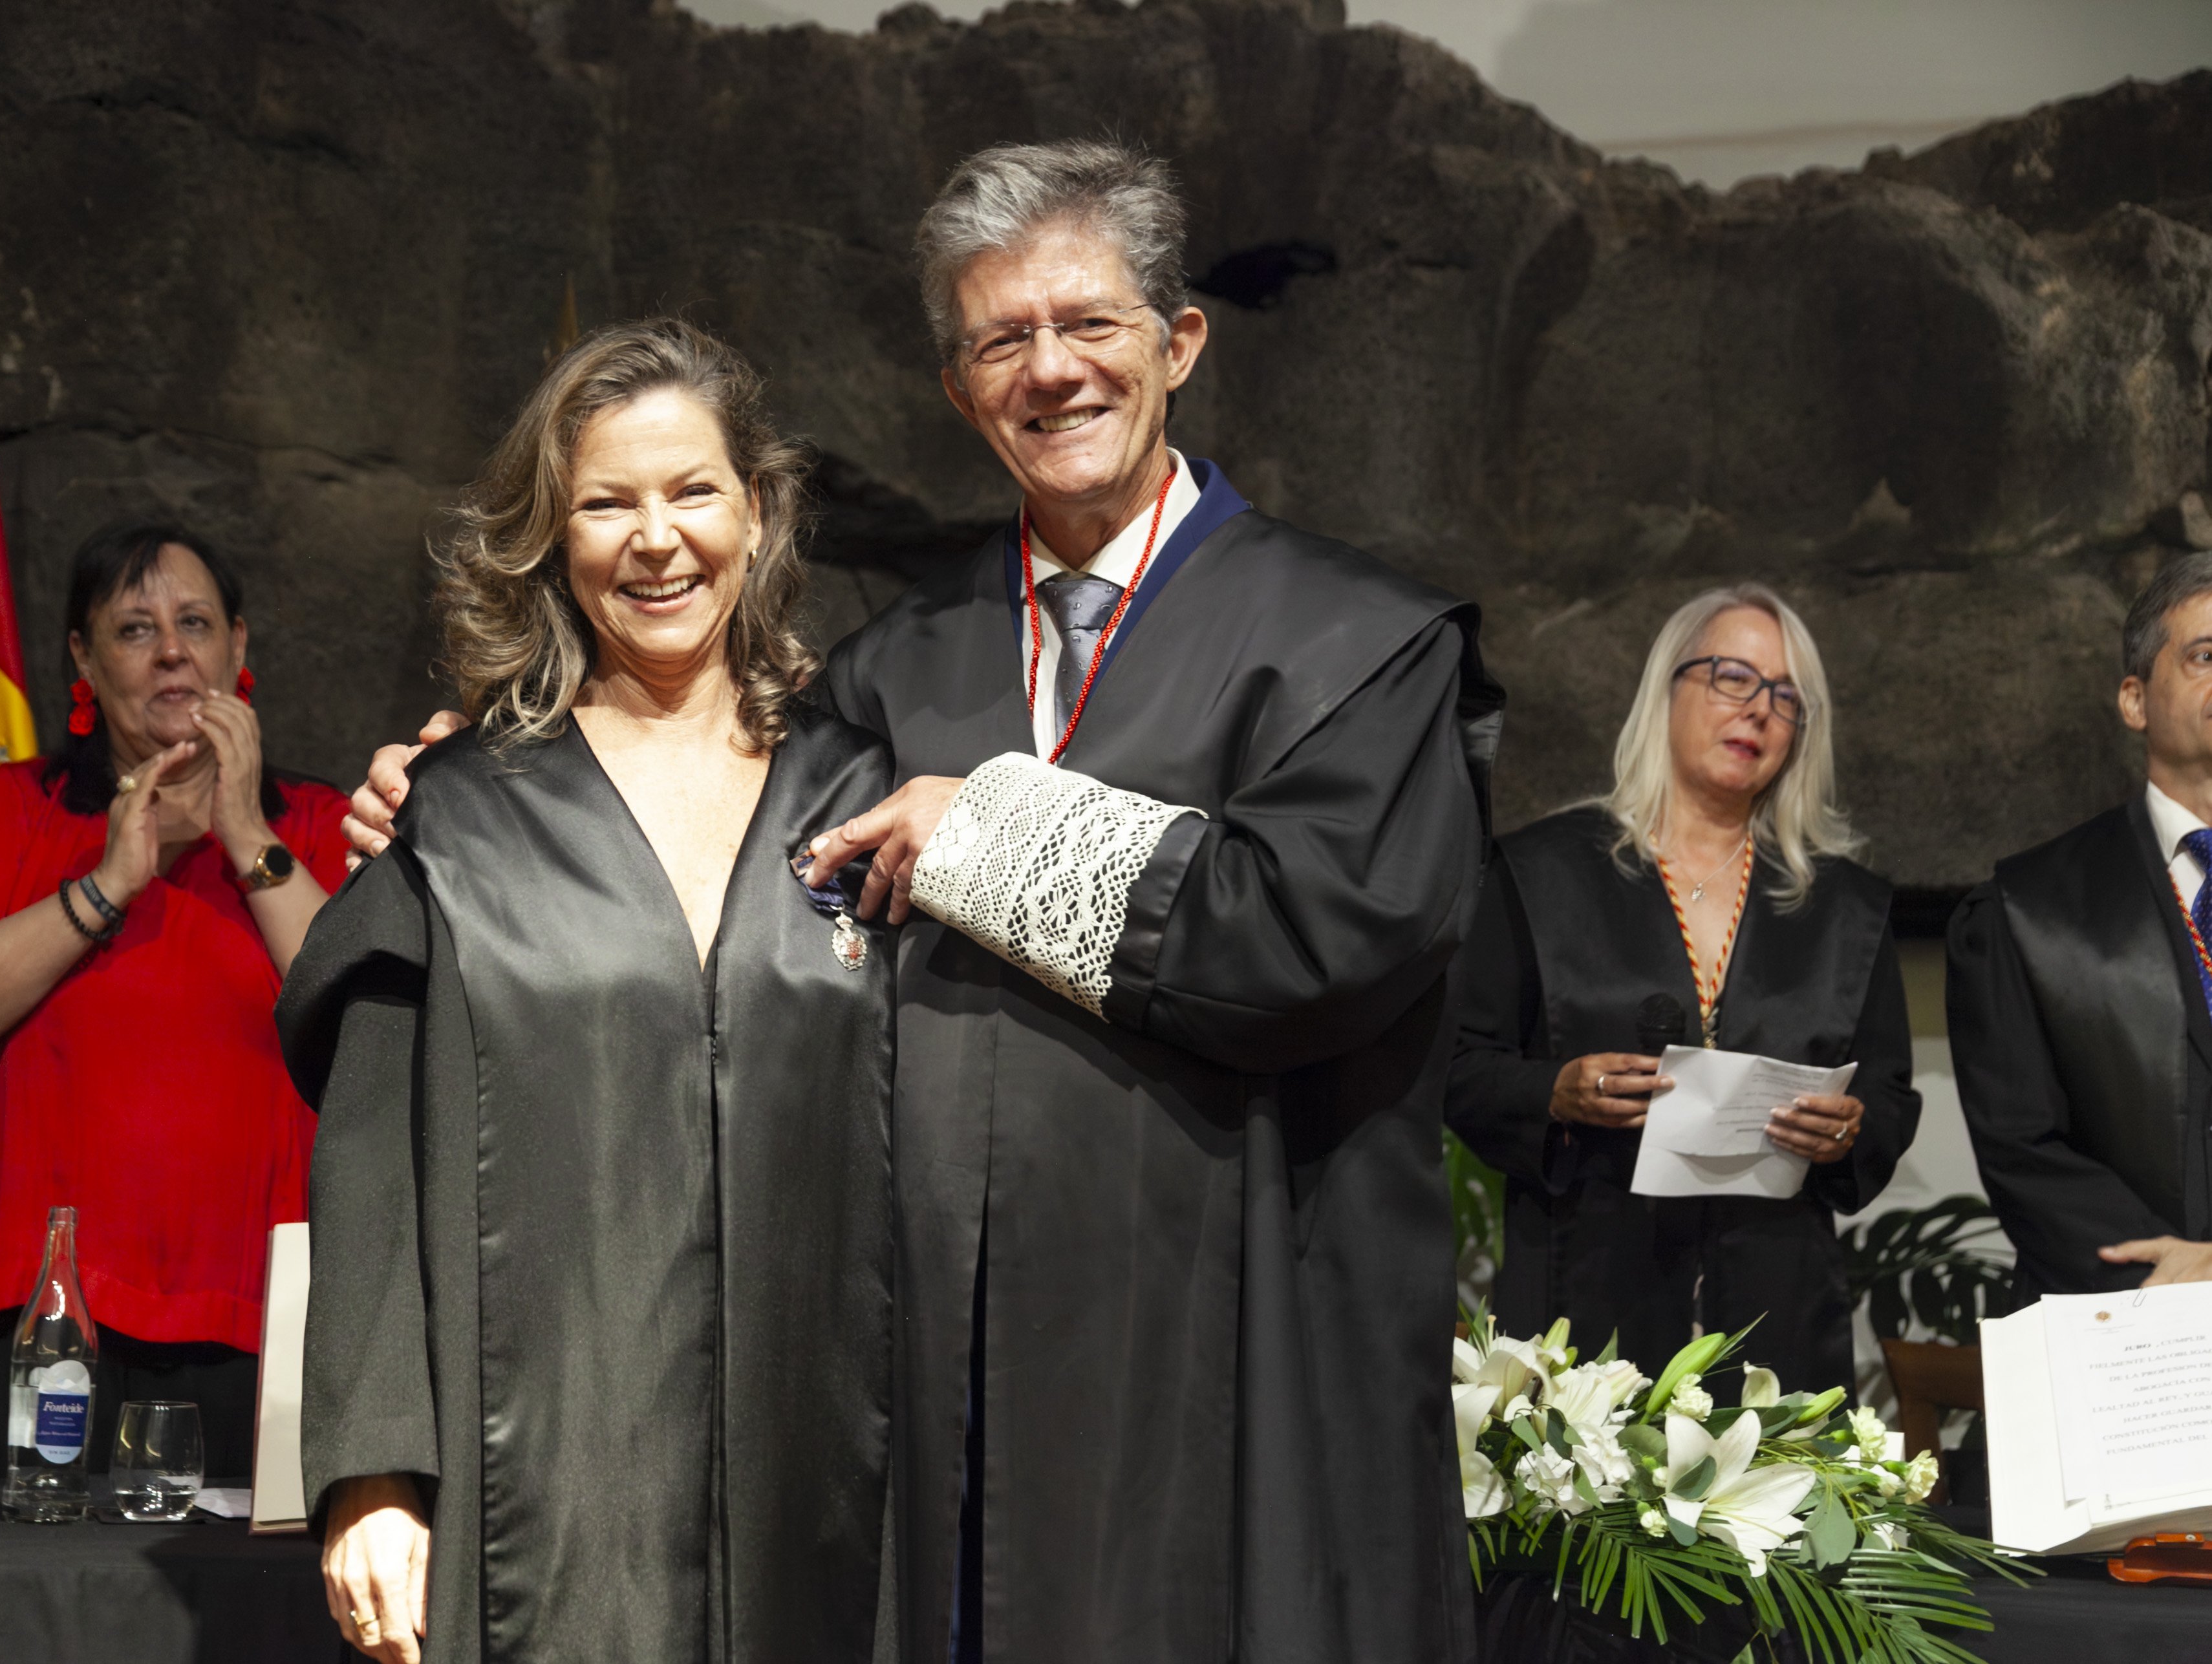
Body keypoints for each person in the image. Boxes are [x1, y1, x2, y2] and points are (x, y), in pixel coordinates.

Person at [352, 140, 1500, 1664]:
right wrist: (480, 786)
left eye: (1087, 323)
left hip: (1230, 1382)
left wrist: (994, 834)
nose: (1051, 371)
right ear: (959, 390)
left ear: (1178, 341)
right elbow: (710, 876)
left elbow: (1314, 938)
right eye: (998, 340)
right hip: (940, 1421)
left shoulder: (1359, 645)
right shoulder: (897, 670)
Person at [278, 320, 896, 1664]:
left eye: (692, 492)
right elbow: (372, 1162)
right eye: (605, 504)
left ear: (759, 511)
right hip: (546, 1505)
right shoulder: (458, 817)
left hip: (832, 1487)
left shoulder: (865, 798)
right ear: (550, 543)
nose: (654, 539)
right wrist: (375, 1473)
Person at [0, 522, 349, 1482]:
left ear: (239, 647)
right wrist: (106, 885)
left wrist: (245, 830)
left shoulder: (314, 826)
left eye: (195, 622)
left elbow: (360, 1032)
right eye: (135, 628)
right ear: (84, 660)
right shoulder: (16, 812)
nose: (172, 649)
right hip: (26, 1313)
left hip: (249, 1318)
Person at [1445, 586, 1918, 1395]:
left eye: (1786, 697)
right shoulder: (1541, 874)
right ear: (1668, 688)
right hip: (1585, 1305)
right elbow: (1455, 1067)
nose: (1760, 710)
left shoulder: (1846, 908)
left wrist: (1851, 1127)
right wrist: (1553, 1091)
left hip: (1777, 1309)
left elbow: (1889, 1094)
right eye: (1733, 678)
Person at [1951, 551, 2212, 1297]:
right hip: (2123, 1332)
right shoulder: (2026, 909)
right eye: (2206, 654)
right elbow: (2022, 1144)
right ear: (2135, 700)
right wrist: (2175, 1273)